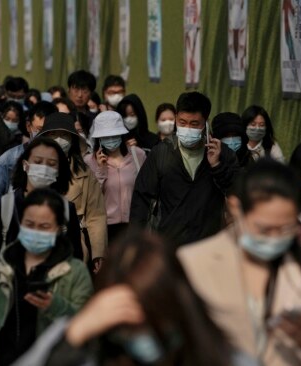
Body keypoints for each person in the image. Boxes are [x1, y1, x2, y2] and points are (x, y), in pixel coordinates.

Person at [178, 160, 301, 365]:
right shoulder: (193, 262)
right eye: (264, 229)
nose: (274, 238)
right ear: (236, 207)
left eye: (286, 229)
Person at [14, 230, 236, 366]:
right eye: (128, 328)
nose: (142, 337)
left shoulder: (217, 352)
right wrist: (71, 340)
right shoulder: (79, 341)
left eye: (152, 320)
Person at [0, 188, 93, 366]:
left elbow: (87, 326)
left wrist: (57, 307)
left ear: (58, 229)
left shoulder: (75, 272)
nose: (35, 231)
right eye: (29, 224)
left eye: (44, 226)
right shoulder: (1, 265)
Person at [130, 91, 240, 246]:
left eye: (194, 124)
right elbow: (141, 199)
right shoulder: (161, 153)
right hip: (169, 246)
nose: (187, 128)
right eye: (182, 122)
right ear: (176, 119)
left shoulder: (224, 154)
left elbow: (237, 192)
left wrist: (217, 166)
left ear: (205, 123)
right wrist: (136, 242)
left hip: (209, 246)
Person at [0, 137, 82, 258]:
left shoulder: (66, 209)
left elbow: (75, 257)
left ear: (58, 170)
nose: (44, 168)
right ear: (25, 165)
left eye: (51, 164)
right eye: (38, 162)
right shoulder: (5, 206)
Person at [38, 113, 108, 271]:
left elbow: (96, 215)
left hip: (74, 242)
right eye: (53, 134)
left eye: (64, 135)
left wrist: (98, 253)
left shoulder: (85, 172)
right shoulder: (33, 170)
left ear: (72, 139)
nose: (59, 140)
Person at [85, 111, 146, 244]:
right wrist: (101, 170)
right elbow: (91, 197)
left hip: (134, 225)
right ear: (99, 138)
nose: (111, 139)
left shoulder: (138, 155)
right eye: (106, 136)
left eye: (114, 135)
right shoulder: (89, 161)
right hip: (105, 227)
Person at [0, 101, 58, 200]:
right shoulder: (9, 159)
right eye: (39, 129)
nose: (44, 135)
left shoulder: (64, 158)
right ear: (28, 126)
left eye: (50, 132)